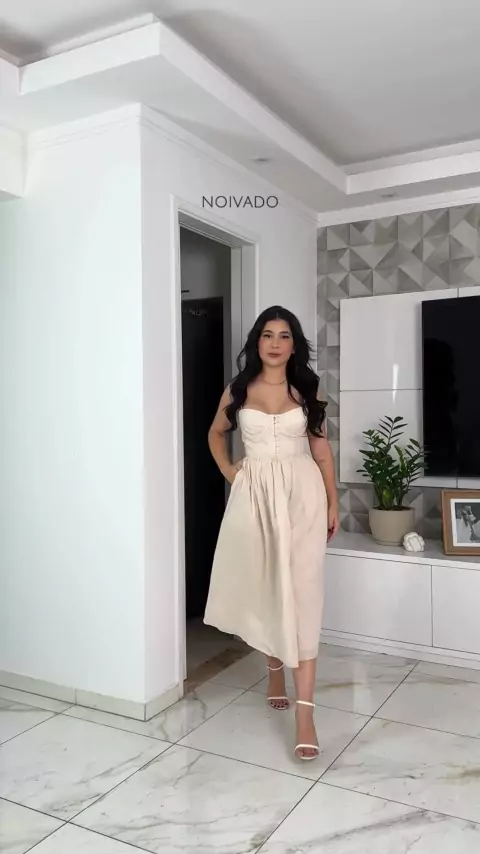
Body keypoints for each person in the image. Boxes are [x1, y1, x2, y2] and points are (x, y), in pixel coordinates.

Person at [204, 305, 339, 761]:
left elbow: (321, 451)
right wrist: (231, 473)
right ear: (257, 342)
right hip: (255, 498)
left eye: (284, 335)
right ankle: (274, 669)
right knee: (266, 582)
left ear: (294, 345)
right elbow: (215, 434)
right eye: (267, 335)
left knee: (304, 594)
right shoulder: (239, 389)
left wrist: (333, 501)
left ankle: (305, 716)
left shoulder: (308, 388)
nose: (276, 343)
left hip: (303, 496)